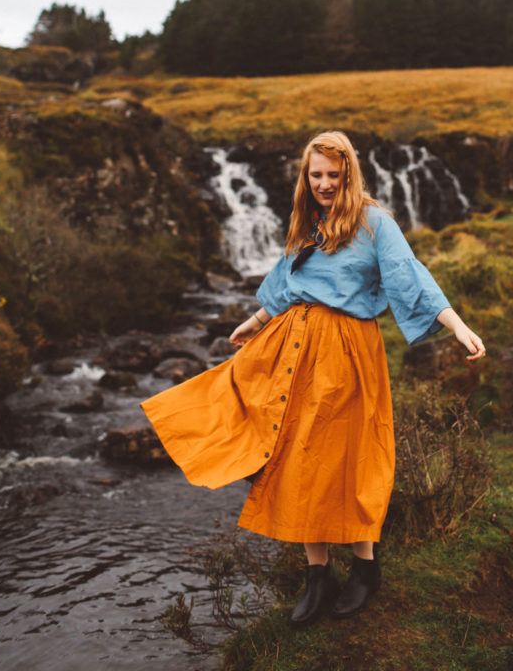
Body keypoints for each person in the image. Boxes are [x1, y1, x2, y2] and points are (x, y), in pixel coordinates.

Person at [139, 130, 485, 628]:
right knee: (293, 454)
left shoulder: (374, 222)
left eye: (333, 175)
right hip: (290, 348)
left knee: (348, 457)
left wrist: (458, 326)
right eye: (316, 174)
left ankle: (365, 569)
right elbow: (288, 281)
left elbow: (411, 275)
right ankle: (317, 575)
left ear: (349, 174)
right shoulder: (307, 220)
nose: (324, 183)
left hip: (346, 355)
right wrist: (256, 320)